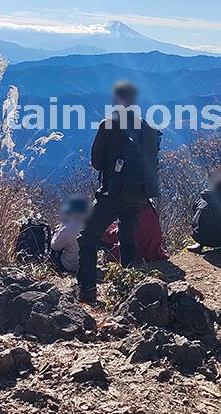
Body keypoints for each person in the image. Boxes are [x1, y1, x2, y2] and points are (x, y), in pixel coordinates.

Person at [75, 80, 161, 303]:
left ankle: (87, 292)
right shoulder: (146, 126)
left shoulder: (108, 125)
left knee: (87, 238)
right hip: (140, 195)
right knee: (127, 236)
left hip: (114, 193)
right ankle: (127, 288)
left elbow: (96, 162)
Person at [102, 203, 168, 263]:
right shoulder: (151, 209)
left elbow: (128, 234)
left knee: (105, 234)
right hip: (150, 246)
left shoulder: (133, 210)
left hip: (137, 242)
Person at [50, 195, 90, 273]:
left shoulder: (69, 227)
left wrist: (56, 232)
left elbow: (55, 246)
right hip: (89, 265)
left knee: (54, 251)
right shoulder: (92, 225)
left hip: (69, 265)